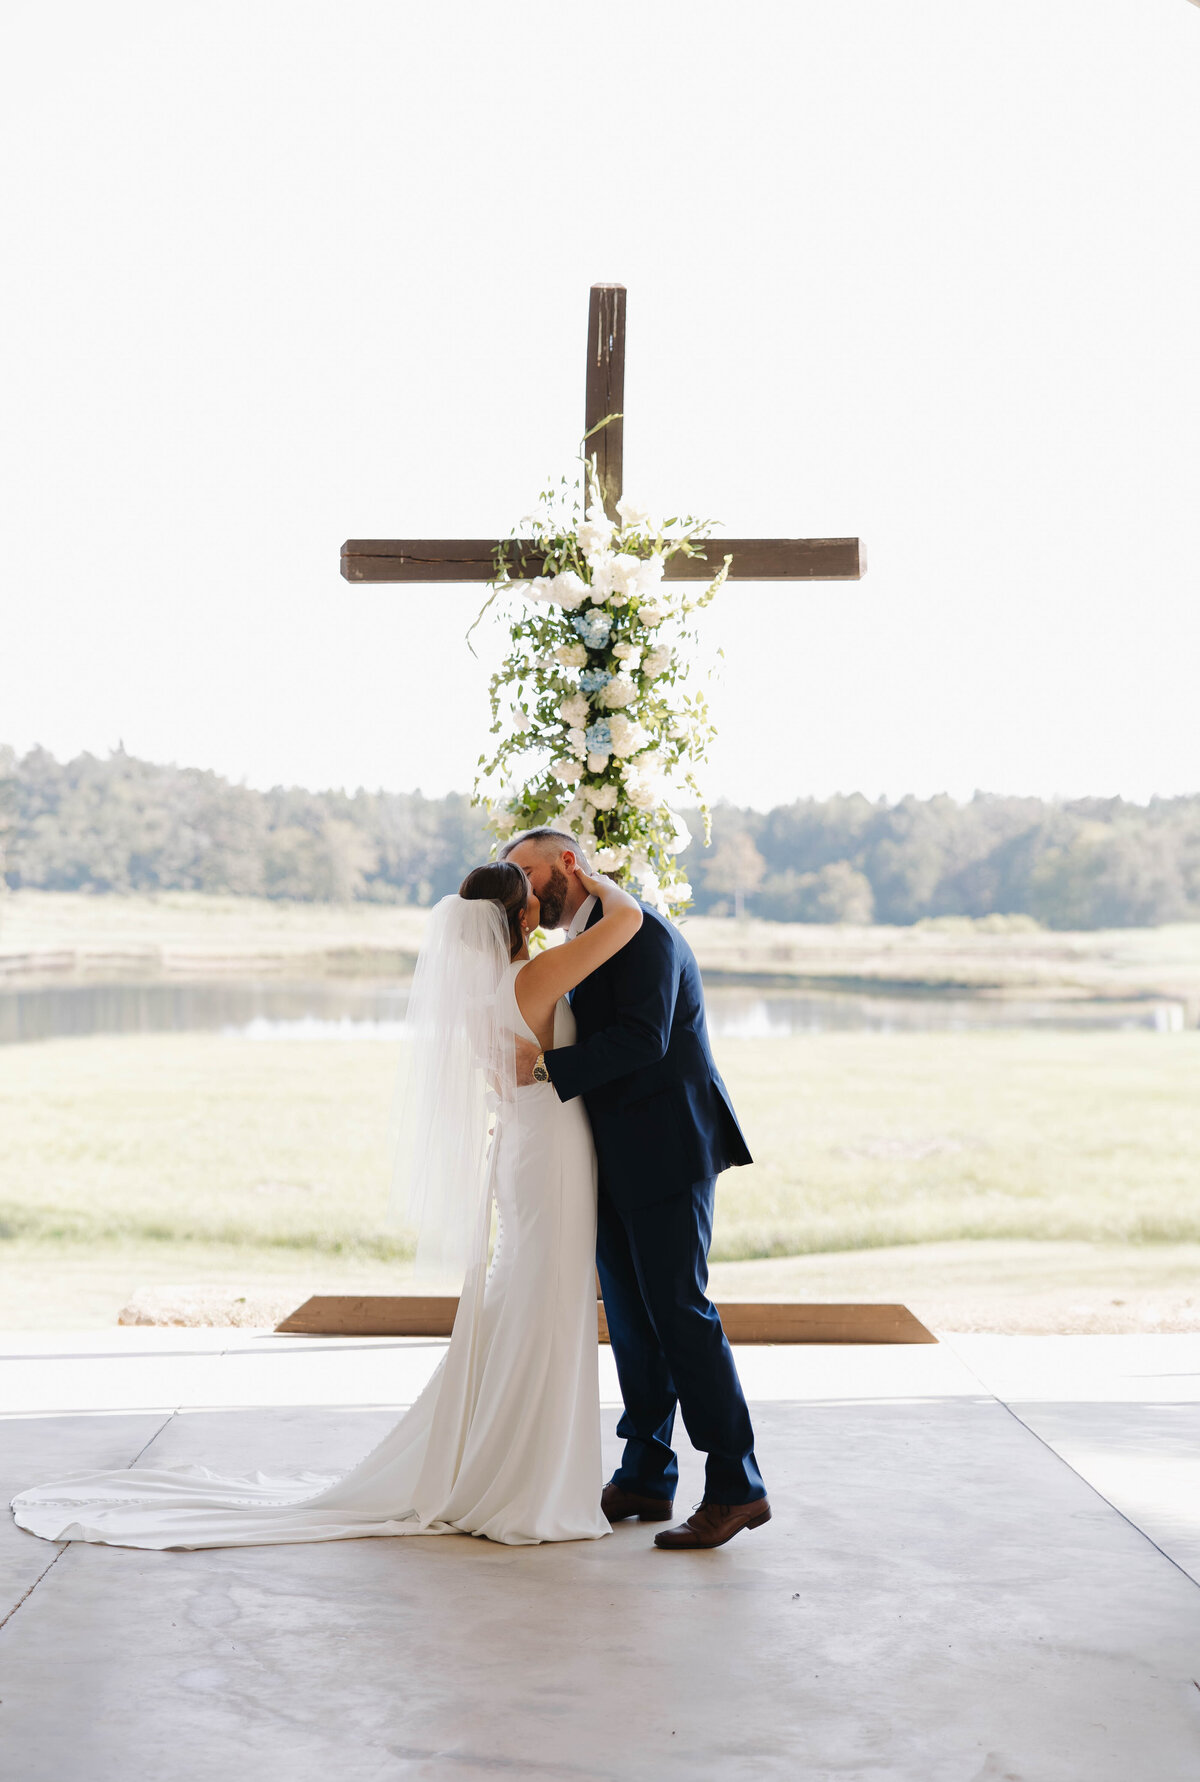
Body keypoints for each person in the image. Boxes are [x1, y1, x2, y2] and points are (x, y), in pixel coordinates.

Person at [10, 860, 642, 1550]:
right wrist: (602, 878)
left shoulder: (478, 992)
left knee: (525, 1299)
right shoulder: (531, 979)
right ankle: (527, 1485)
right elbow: (631, 921)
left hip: (523, 1153)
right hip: (549, 1154)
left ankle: (504, 1466)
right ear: (523, 919)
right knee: (545, 1304)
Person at [500, 829, 769, 1550]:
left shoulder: (640, 932)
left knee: (680, 1312)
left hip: (669, 1148)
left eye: (526, 872)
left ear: (567, 863)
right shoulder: (585, 939)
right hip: (614, 1156)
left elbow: (644, 1038)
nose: (521, 889)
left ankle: (738, 1486)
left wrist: (548, 1073)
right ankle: (647, 1473)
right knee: (631, 1320)